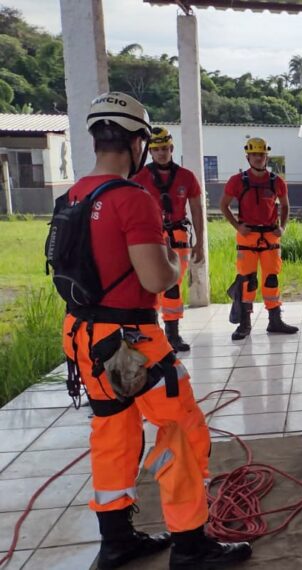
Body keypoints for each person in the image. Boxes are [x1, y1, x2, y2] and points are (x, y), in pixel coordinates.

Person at [64, 92, 250, 569]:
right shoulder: (132, 199)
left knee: (113, 431)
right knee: (181, 431)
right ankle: (190, 545)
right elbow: (157, 279)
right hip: (133, 342)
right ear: (138, 142)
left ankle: (116, 539)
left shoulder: (72, 196)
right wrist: (176, 260)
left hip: (83, 336)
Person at [131, 126, 204, 353]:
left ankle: (173, 334)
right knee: (148, 283)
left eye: (165, 148)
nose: (162, 153)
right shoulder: (140, 177)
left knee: (173, 285)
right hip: (149, 236)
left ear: (172, 149)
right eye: (157, 149)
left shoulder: (186, 177)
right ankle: (149, 329)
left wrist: (199, 242)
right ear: (150, 152)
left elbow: (197, 210)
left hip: (178, 236)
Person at [219, 137, 299, 340]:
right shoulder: (237, 181)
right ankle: (244, 324)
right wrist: (238, 227)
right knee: (247, 281)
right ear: (248, 157)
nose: (258, 158)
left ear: (266, 157)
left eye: (261, 154)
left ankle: (275, 320)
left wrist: (282, 227)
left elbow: (286, 205)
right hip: (248, 237)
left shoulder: (277, 181)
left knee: (271, 279)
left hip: (271, 236)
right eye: (254, 154)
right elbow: (224, 205)